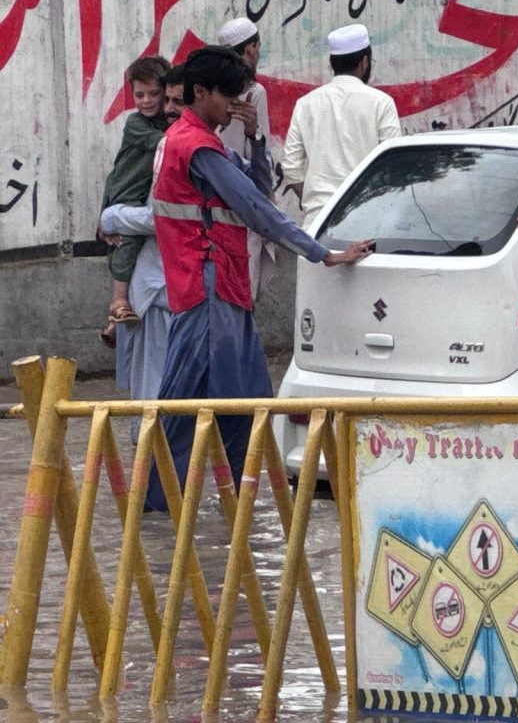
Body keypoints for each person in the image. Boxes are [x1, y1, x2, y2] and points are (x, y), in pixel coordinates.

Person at [149, 46, 372, 512]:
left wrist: (253, 138)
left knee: (246, 398)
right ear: (200, 92)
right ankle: (157, 506)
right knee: (189, 399)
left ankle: (238, 503)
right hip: (207, 283)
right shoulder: (197, 146)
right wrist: (322, 254)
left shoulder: (200, 139)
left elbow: (256, 184)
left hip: (223, 283)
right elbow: (257, 208)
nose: (231, 106)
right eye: (224, 97)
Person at [98, 65, 187, 434]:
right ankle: (116, 305)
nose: (156, 104)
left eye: (167, 99)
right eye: (147, 96)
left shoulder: (179, 141)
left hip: (167, 287)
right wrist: (111, 217)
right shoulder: (151, 133)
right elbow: (159, 217)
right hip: (152, 287)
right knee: (150, 383)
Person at [281, 24, 401, 225]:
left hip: (317, 223)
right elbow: (393, 164)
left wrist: (317, 203)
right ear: (364, 62)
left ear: (332, 64)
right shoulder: (381, 103)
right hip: (368, 219)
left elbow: (291, 168)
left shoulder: (305, 104)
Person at [98, 55, 171, 347]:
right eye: (139, 95)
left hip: (139, 197)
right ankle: (117, 303)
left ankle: (117, 322)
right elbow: (164, 145)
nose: (146, 101)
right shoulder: (136, 124)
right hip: (125, 194)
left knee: (137, 245)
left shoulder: (166, 120)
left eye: (154, 94)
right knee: (126, 245)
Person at [217, 17, 277, 300]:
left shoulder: (215, 92)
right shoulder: (253, 93)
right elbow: (258, 152)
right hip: (244, 200)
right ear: (251, 49)